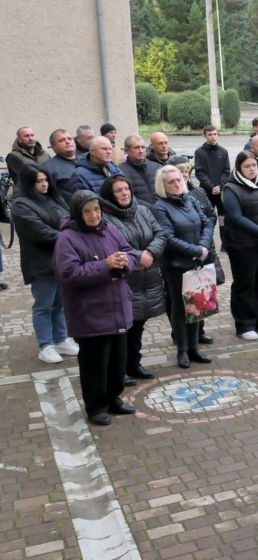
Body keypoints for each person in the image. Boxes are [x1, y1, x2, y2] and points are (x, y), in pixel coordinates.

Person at [53, 191, 138, 426]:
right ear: (78, 214)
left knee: (117, 361)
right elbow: (69, 274)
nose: (94, 215)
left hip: (118, 308)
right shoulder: (67, 238)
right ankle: (96, 406)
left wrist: (125, 262)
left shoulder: (110, 229)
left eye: (97, 210)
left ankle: (114, 398)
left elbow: (129, 251)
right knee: (95, 364)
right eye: (87, 211)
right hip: (90, 312)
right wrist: (105, 264)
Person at [98, 175, 167, 383]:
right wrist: (137, 257)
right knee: (123, 327)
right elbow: (107, 246)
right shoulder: (104, 217)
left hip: (147, 276)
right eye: (118, 190)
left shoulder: (143, 210)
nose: (124, 193)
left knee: (138, 325)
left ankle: (134, 364)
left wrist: (150, 254)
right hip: (124, 279)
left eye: (126, 188)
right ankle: (120, 370)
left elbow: (160, 234)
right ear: (110, 194)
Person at [11, 164, 77, 364]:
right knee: (44, 306)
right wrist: (71, 240)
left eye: (46, 180)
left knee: (60, 304)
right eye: (39, 181)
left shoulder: (53, 198)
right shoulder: (21, 205)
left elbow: (70, 220)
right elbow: (40, 232)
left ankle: (61, 339)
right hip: (40, 264)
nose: (44, 184)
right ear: (29, 183)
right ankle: (45, 345)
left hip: (61, 260)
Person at [152, 165, 215, 368]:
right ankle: (182, 350)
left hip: (197, 261)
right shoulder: (160, 207)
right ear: (163, 186)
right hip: (176, 265)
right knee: (180, 308)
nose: (177, 183)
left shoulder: (190, 200)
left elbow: (206, 223)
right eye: (171, 181)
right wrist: (195, 250)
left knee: (197, 306)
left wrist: (203, 246)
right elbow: (168, 238)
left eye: (178, 179)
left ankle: (194, 347)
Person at [222, 150, 258, 340]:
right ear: (239, 168)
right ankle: (244, 324)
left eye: (254, 165)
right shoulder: (231, 189)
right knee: (244, 283)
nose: (252, 169)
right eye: (247, 166)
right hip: (243, 245)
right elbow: (236, 217)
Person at [193, 125, 231, 217]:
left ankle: (223, 231)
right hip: (206, 191)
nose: (213, 137)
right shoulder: (199, 152)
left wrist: (220, 186)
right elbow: (199, 172)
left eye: (215, 134)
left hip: (221, 190)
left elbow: (226, 171)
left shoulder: (223, 151)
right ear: (204, 136)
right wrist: (211, 187)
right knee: (208, 216)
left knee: (224, 216)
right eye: (210, 134)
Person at [119, 135, 159, 208]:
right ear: (126, 150)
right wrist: (150, 208)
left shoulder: (157, 167)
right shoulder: (120, 172)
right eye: (136, 148)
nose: (141, 151)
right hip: (138, 214)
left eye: (143, 147)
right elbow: (127, 197)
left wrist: (160, 207)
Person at [42, 129, 79, 203]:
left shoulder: (88, 161)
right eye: (61, 140)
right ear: (53, 147)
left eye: (69, 139)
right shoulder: (47, 168)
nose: (67, 142)